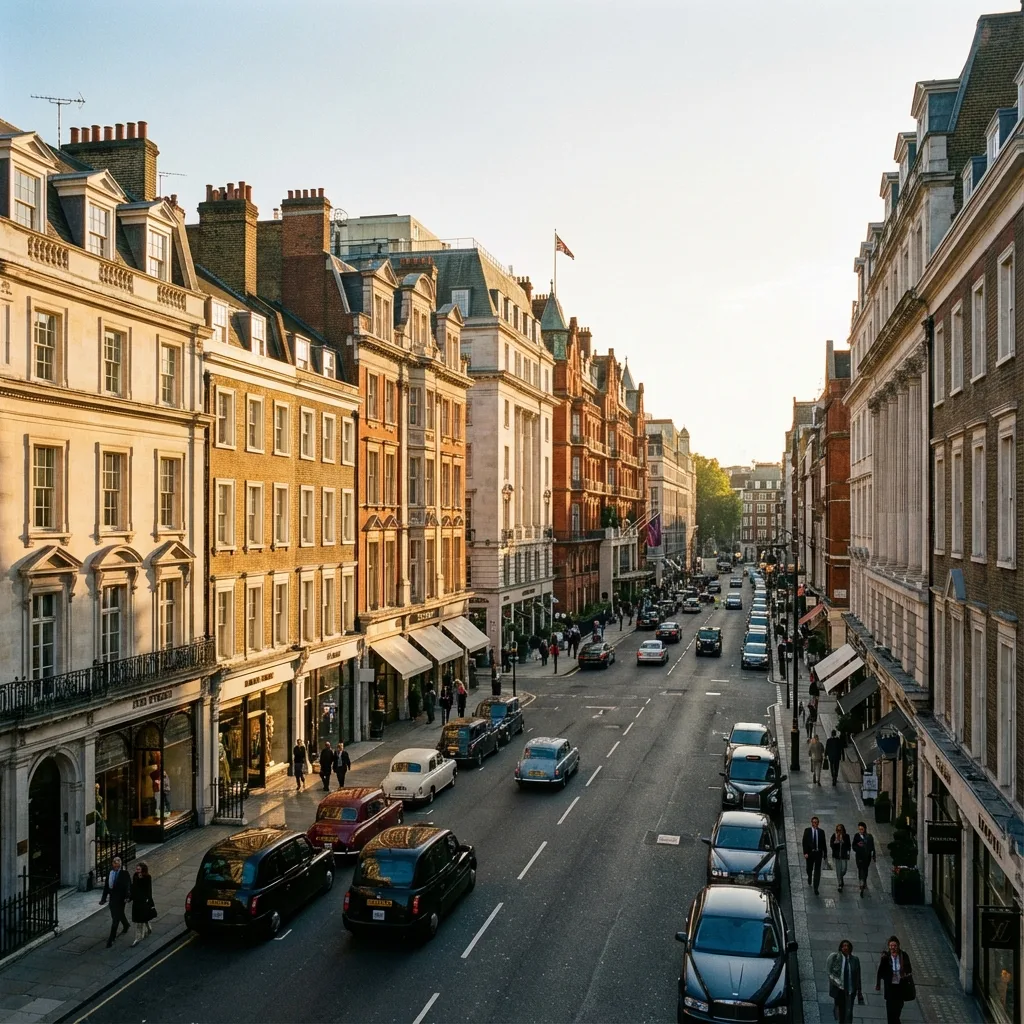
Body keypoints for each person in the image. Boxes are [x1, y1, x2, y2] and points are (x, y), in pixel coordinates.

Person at [875, 935, 913, 1024]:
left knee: (898, 1007)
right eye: (891, 946)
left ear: (898, 946)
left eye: (895, 946)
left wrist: (904, 973)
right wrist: (878, 984)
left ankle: (896, 1020)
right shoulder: (886, 957)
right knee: (890, 1009)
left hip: (901, 986)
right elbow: (880, 971)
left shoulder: (903, 955)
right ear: (889, 946)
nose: (893, 948)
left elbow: (909, 968)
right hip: (890, 986)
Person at [826, 939, 864, 1024]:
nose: (845, 948)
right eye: (844, 946)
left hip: (851, 990)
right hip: (840, 990)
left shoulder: (855, 960)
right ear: (841, 948)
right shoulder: (836, 958)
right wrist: (836, 982)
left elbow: (858, 976)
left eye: (847, 946)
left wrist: (859, 991)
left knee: (849, 1011)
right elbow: (830, 973)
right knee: (842, 1011)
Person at [100, 855, 132, 948]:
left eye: (118, 865)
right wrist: (103, 899)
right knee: (118, 914)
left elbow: (128, 886)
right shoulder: (109, 873)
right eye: (114, 865)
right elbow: (106, 887)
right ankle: (126, 924)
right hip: (112, 899)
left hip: (121, 899)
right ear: (112, 864)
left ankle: (111, 938)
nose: (116, 867)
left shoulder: (124, 873)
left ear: (120, 865)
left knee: (115, 918)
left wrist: (127, 896)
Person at [129, 862, 156, 948]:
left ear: (143, 870)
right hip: (136, 901)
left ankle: (138, 938)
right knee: (139, 919)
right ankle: (148, 929)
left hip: (143, 901)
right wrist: (130, 898)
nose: (137, 871)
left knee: (140, 920)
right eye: (136, 869)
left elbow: (148, 889)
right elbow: (134, 888)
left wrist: (149, 900)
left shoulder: (147, 877)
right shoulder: (135, 876)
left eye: (138, 869)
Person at [802, 815, 827, 896]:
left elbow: (824, 844)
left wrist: (825, 854)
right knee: (809, 868)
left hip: (818, 853)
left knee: (817, 871)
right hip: (810, 853)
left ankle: (816, 887)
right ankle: (809, 876)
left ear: (818, 823)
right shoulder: (807, 831)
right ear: (811, 823)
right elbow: (804, 842)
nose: (815, 824)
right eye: (813, 822)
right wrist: (805, 852)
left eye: (816, 822)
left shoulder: (821, 832)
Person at [851, 821, 876, 898]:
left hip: (866, 857)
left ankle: (864, 880)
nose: (860, 831)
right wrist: (857, 847)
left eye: (862, 829)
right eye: (859, 829)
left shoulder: (869, 837)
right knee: (860, 868)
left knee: (865, 869)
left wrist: (873, 856)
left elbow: (872, 847)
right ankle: (861, 882)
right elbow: (853, 845)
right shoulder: (857, 836)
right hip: (859, 856)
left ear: (864, 829)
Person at [830, 823, 852, 893]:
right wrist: (836, 840)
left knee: (844, 869)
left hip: (843, 856)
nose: (839, 831)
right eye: (838, 830)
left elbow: (849, 845)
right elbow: (832, 846)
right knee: (838, 870)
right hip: (837, 856)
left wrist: (848, 852)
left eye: (840, 830)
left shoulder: (846, 836)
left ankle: (840, 877)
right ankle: (840, 884)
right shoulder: (834, 836)